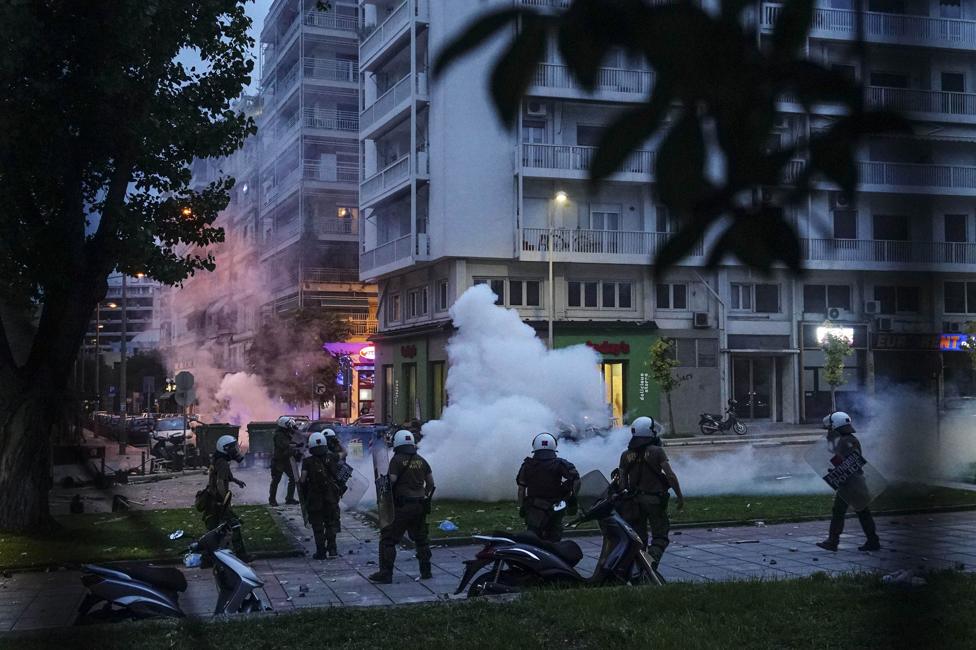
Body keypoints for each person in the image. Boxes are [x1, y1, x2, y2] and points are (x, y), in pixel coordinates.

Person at [369, 430, 435, 584]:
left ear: (397, 443)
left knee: (388, 539)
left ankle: (386, 573)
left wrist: (384, 489)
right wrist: (422, 494)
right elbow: (431, 483)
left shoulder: (397, 460)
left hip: (401, 507)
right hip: (419, 505)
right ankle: (426, 571)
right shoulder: (422, 460)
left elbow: (392, 480)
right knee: (421, 540)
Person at [618, 416, 684, 570]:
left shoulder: (625, 455)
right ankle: (651, 565)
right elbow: (670, 475)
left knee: (639, 539)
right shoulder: (657, 451)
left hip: (634, 503)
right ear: (649, 431)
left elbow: (622, 483)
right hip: (654, 501)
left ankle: (640, 570)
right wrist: (679, 496)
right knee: (660, 537)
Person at [816, 411, 881, 552]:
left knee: (842, 512)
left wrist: (839, 471)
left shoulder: (848, 441)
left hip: (851, 483)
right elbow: (841, 459)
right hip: (851, 482)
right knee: (862, 512)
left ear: (836, 425)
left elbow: (852, 462)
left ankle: (833, 541)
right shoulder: (846, 440)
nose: (829, 430)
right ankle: (872, 541)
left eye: (830, 428)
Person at [516, 433, 580, 541]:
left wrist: (522, 506)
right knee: (554, 538)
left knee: (533, 538)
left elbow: (521, 489)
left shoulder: (527, 465)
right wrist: (571, 496)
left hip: (534, 508)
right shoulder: (560, 464)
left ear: (535, 447)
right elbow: (576, 481)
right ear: (553, 446)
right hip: (555, 507)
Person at [203, 434, 249, 560]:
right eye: (232, 447)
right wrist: (224, 502)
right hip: (217, 501)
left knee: (213, 530)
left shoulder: (219, 459)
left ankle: (206, 558)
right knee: (234, 525)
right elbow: (220, 483)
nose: (235, 450)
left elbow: (224, 476)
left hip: (213, 500)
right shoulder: (222, 463)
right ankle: (242, 555)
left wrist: (236, 480)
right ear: (225, 449)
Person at [300, 432, 341, 560]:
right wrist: (337, 443)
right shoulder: (332, 457)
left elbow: (302, 479)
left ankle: (321, 552)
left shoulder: (307, 461)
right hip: (331, 496)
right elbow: (344, 453)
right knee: (330, 523)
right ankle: (333, 549)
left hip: (315, 498)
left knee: (317, 526)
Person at [269, 416, 300, 506]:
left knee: (293, 478)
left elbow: (290, 443)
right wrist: (294, 448)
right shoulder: (279, 435)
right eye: (289, 424)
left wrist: (296, 445)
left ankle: (289, 498)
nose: (291, 426)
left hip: (285, 460)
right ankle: (272, 500)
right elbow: (285, 446)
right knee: (276, 481)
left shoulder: (285, 433)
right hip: (279, 461)